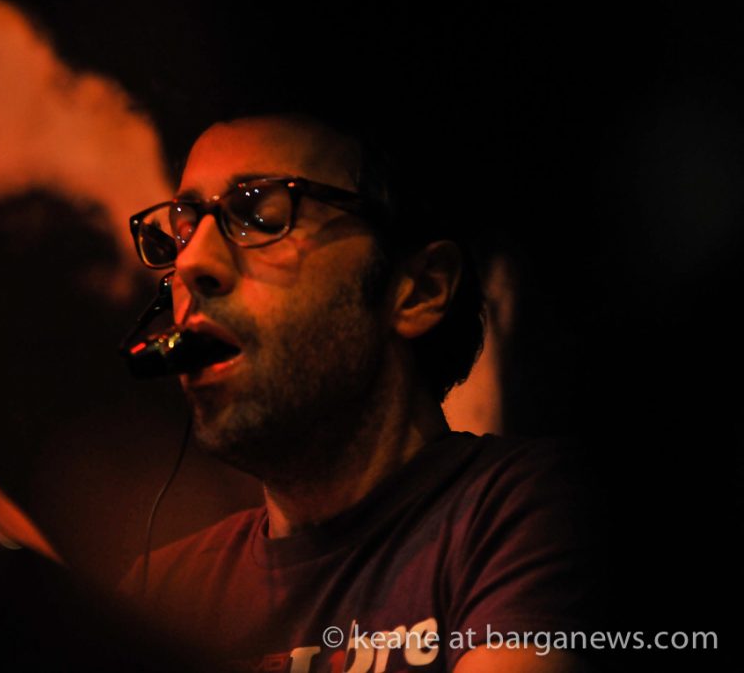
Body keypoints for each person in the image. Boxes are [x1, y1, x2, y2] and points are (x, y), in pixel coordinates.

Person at [116, 111, 607, 672]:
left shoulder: (532, 511)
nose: (191, 262)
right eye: (183, 228)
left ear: (419, 290)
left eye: (259, 214)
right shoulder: (158, 592)